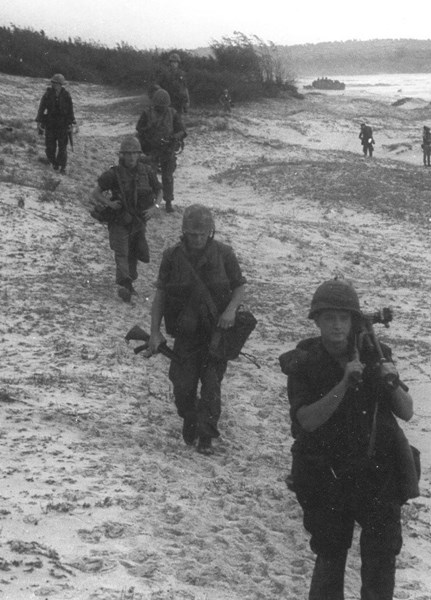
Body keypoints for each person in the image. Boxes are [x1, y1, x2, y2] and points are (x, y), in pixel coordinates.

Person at [279, 279, 415, 600]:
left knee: (381, 561)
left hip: (377, 474)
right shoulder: (304, 362)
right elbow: (307, 420)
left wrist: (389, 381)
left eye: (344, 318)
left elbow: (407, 412)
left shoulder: (375, 353)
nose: (338, 326)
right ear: (317, 321)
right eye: (329, 318)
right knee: (330, 557)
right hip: (326, 475)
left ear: (354, 320)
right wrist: (343, 383)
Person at [146, 204, 247, 455]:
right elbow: (160, 295)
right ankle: (190, 416)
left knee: (212, 385)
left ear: (210, 233)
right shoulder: (171, 257)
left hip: (216, 335)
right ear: (184, 233)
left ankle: (206, 435)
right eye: (193, 234)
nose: (198, 238)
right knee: (182, 387)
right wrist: (155, 332)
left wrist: (231, 310)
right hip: (185, 335)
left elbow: (239, 287)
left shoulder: (224, 254)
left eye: (203, 234)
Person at [90, 136, 162, 302]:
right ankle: (125, 286)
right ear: (122, 155)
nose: (130, 157)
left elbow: (159, 191)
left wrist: (155, 207)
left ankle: (129, 281)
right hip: (119, 219)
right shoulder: (113, 174)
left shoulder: (147, 171)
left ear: (138, 154)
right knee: (121, 252)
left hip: (139, 220)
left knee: (135, 252)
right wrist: (109, 203)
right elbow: (95, 193)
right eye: (127, 154)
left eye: (134, 153)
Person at [136, 88, 187, 213]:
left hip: (168, 150)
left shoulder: (172, 113)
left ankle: (168, 202)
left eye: (163, 107)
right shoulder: (147, 114)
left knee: (168, 177)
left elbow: (182, 131)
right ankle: (151, 201)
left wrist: (174, 137)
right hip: (151, 150)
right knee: (150, 176)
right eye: (159, 107)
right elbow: (139, 130)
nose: (161, 109)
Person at [35, 74, 77, 174]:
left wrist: (71, 122)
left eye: (57, 83)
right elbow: (41, 108)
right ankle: (54, 163)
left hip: (63, 125)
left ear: (61, 84)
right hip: (50, 124)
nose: (54, 85)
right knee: (50, 147)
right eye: (53, 83)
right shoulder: (47, 94)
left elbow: (70, 109)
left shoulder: (66, 95)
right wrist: (39, 121)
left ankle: (62, 166)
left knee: (62, 148)